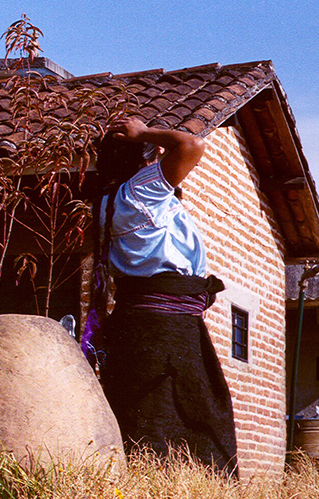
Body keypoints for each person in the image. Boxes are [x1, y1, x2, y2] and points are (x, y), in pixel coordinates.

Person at [90, 117, 239, 477]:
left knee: (152, 406)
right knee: (190, 407)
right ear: (142, 160)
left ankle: (155, 482)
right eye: (152, 153)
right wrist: (145, 132)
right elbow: (190, 146)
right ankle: (187, 485)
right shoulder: (139, 191)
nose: (159, 157)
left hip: (145, 320)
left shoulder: (110, 200)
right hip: (165, 324)